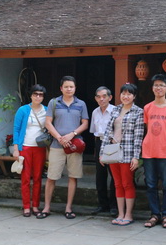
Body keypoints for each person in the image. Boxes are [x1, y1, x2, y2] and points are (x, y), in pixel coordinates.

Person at [37, 76, 89, 219]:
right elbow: (48, 123)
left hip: (74, 145)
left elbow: (85, 123)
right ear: (61, 88)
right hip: (56, 145)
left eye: (71, 87)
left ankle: (68, 208)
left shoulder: (81, 104)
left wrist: (72, 135)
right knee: (51, 177)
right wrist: (60, 138)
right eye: (66, 87)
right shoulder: (54, 102)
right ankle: (47, 207)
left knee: (73, 176)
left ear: (75, 88)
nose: (69, 89)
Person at [100, 83, 144, 226]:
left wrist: (136, 157)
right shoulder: (116, 109)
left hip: (128, 152)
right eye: (123, 94)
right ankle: (120, 214)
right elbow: (107, 132)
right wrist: (102, 152)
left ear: (134, 96)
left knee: (127, 183)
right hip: (113, 152)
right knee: (118, 184)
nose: (126, 96)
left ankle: (128, 214)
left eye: (129, 94)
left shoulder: (138, 112)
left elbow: (138, 136)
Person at [142, 74, 166, 229]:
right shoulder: (147, 107)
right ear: (152, 88)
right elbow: (147, 129)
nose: (158, 88)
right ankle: (154, 214)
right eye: (155, 85)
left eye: (161, 85)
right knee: (151, 184)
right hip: (149, 151)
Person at [12, 84, 48, 217]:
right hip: (25, 147)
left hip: (40, 148)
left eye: (41, 95)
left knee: (38, 177)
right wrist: (16, 148)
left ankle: (36, 206)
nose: (38, 97)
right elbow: (16, 129)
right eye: (35, 94)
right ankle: (26, 206)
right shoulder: (23, 110)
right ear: (31, 95)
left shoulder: (47, 110)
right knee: (25, 178)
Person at [89, 86, 117, 216]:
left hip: (112, 143)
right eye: (99, 97)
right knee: (100, 175)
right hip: (100, 142)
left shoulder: (115, 111)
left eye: (104, 96)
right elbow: (94, 133)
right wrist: (96, 149)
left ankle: (114, 206)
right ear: (95, 98)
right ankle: (102, 204)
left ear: (110, 97)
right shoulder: (95, 112)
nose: (102, 99)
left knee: (114, 175)